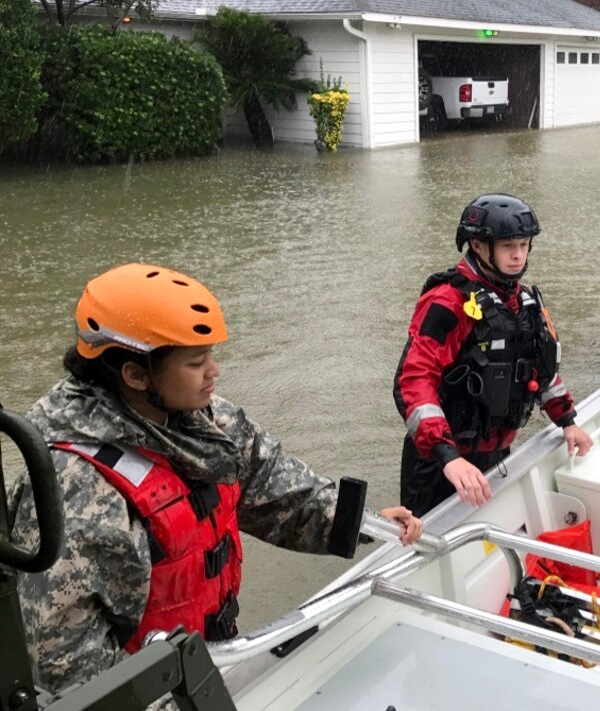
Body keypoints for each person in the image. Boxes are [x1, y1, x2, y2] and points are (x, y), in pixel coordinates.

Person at [7, 263, 424, 698]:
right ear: (136, 374)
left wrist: (360, 522)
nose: (214, 371)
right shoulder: (74, 489)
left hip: (208, 665)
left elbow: (276, 489)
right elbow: (65, 663)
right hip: (154, 694)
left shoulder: (207, 423)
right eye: (196, 361)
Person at [394, 193, 594, 516]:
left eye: (523, 245)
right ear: (478, 246)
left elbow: (539, 370)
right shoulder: (448, 302)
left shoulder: (523, 301)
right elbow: (414, 381)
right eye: (507, 246)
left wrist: (567, 420)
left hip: (496, 454)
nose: (518, 255)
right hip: (439, 464)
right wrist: (447, 456)